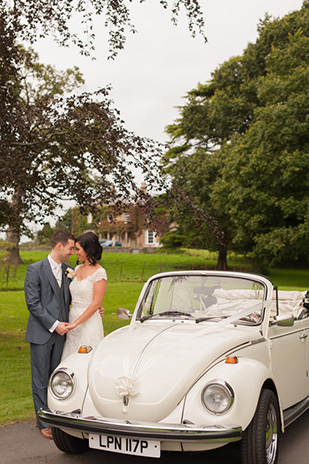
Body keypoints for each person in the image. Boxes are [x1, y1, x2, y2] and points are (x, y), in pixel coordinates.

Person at [24, 230, 75, 439]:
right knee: (40, 379)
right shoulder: (34, 270)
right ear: (59, 246)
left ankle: (56, 417)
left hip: (62, 334)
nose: (73, 252)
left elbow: (75, 297)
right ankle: (43, 421)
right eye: (71, 248)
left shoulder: (69, 270)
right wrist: (54, 325)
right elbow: (33, 304)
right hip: (42, 333)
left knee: (56, 378)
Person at [61, 231, 107, 360]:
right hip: (72, 318)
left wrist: (76, 323)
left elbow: (96, 304)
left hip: (89, 323)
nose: (75, 252)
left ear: (88, 250)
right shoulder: (76, 269)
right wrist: (73, 323)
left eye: (78, 249)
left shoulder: (100, 273)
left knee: (88, 359)